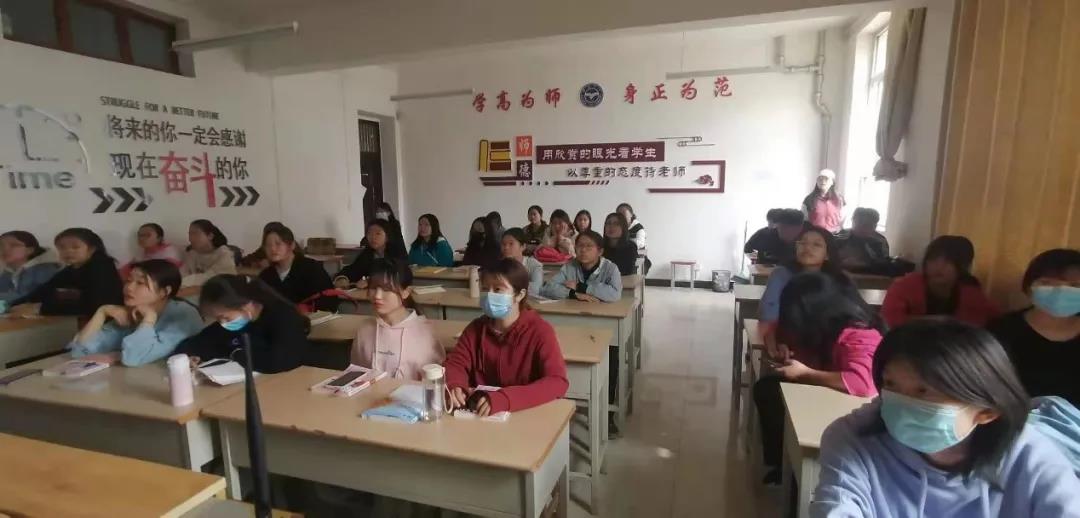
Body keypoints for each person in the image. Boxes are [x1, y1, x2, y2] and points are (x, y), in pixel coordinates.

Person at [812, 319, 1080, 517]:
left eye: (923, 391)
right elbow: (837, 507)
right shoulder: (854, 438)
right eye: (891, 384)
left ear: (987, 411)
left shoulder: (1030, 456)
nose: (902, 403)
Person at [753, 272, 884, 483]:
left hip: (850, 403)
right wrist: (779, 345)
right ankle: (782, 463)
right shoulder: (823, 325)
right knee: (767, 389)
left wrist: (805, 373)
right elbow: (775, 329)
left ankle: (797, 475)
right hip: (823, 389)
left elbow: (862, 383)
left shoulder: (859, 333)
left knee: (776, 395)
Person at [444, 258, 568, 416]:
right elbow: (456, 362)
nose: (490, 295)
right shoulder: (476, 328)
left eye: (497, 289)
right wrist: (455, 384)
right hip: (481, 414)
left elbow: (557, 382)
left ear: (519, 295)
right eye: (485, 288)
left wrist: (506, 399)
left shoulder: (540, 332)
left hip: (525, 413)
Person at [989, 249, 1080, 406]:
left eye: (1075, 285)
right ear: (1029, 288)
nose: (1060, 291)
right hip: (1014, 417)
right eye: (1047, 283)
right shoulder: (1000, 330)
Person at [69, 260, 203, 366]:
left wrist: (148, 319)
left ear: (164, 291)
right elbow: (79, 352)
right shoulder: (129, 312)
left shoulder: (183, 315)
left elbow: (134, 358)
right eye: (128, 281)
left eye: (140, 283)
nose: (129, 288)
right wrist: (101, 312)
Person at [177, 274, 308, 373]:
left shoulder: (283, 316)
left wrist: (234, 353)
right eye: (217, 318)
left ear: (245, 306)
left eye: (224, 317)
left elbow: (280, 361)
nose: (222, 323)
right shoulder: (229, 323)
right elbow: (193, 344)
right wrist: (190, 357)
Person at [350, 259, 444, 380]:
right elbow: (357, 375)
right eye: (373, 288)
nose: (377, 296)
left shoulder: (426, 333)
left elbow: (435, 382)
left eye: (386, 289)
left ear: (406, 292)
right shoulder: (365, 329)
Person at [881, 235, 999, 328]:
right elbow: (889, 321)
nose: (938, 267)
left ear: (962, 266)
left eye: (948, 262)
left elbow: (988, 321)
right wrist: (936, 321)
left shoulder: (971, 292)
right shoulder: (905, 286)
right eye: (933, 260)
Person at [8, 228, 123, 317]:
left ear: (92, 249)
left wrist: (40, 308)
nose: (68, 251)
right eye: (62, 247)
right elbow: (45, 290)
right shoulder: (71, 269)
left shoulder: (102, 267)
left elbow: (94, 305)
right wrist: (12, 305)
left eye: (75, 247)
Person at [257, 223, 337, 312]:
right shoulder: (265, 276)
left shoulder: (311, 268)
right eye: (268, 245)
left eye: (278, 244)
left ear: (292, 245)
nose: (272, 249)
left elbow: (330, 301)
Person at [542, 231, 623, 302]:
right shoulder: (570, 266)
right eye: (580, 245)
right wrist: (573, 294)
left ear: (600, 252)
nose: (583, 250)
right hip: (574, 310)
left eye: (589, 246)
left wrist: (581, 287)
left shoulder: (611, 268)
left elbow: (615, 294)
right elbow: (547, 288)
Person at [335, 220, 407, 288]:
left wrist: (371, 281)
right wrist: (342, 278)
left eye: (378, 233)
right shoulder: (367, 254)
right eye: (369, 233)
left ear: (387, 237)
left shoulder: (396, 253)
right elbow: (352, 270)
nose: (373, 237)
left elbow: (401, 275)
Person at [0, 231, 60, 305]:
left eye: (14, 245)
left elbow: (28, 297)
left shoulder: (44, 270)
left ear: (30, 250)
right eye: (1, 245)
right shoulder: (9, 269)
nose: (5, 249)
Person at [180, 220, 237, 287]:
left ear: (210, 236)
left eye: (195, 233)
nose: (190, 238)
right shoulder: (192, 254)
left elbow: (211, 278)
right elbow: (183, 275)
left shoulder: (224, 254)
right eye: (189, 234)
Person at [835, 208, 891, 272]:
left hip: (868, 274)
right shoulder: (841, 236)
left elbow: (884, 264)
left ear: (875, 226)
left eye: (868, 224)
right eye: (859, 222)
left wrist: (863, 264)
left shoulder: (880, 241)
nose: (862, 227)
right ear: (852, 221)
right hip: (840, 272)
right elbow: (830, 257)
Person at [500, 228, 543, 297]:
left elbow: (536, 288)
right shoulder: (498, 265)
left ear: (523, 246)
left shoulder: (534, 265)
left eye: (511, 244)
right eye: (503, 244)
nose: (506, 248)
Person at [802, 169, 845, 233]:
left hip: (835, 234)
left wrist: (838, 228)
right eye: (820, 178)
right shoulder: (809, 199)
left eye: (826, 178)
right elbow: (805, 219)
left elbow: (843, 218)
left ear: (832, 182)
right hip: (816, 234)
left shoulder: (840, 199)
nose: (822, 181)